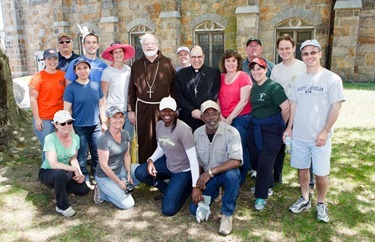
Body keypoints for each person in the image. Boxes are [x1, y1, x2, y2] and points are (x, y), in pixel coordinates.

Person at [286, 39, 345, 223]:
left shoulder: (332, 79)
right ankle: (305, 198)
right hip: (300, 136)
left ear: (320, 54)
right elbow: (294, 104)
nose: (309, 56)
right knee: (302, 170)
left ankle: (321, 203)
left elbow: (336, 108)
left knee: (321, 174)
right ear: (301, 56)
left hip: (320, 137)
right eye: (305, 53)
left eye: (313, 52)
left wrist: (325, 131)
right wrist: (289, 128)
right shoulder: (298, 80)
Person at [134, 97, 200, 216]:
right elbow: (161, 147)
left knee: (168, 210)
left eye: (171, 110)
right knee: (140, 172)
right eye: (164, 110)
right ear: (159, 112)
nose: (167, 113)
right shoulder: (159, 125)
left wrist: (195, 186)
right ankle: (164, 187)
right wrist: (151, 160)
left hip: (183, 170)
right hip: (169, 163)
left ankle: (187, 188)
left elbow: (193, 159)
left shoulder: (183, 129)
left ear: (176, 112)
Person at [190, 100, 242, 236]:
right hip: (208, 180)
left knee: (232, 175)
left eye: (214, 113)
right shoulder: (197, 133)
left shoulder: (232, 132)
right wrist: (196, 186)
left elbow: (236, 160)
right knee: (193, 209)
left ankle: (227, 215)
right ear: (201, 118)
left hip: (224, 173)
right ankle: (216, 193)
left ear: (219, 115)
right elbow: (197, 162)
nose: (211, 117)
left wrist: (210, 172)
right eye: (207, 114)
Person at [247, 58, 290, 211]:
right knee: (256, 159)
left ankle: (261, 195)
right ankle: (268, 185)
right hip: (256, 127)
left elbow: (286, 108)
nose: (256, 72)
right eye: (253, 69)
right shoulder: (255, 87)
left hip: (271, 129)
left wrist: (282, 127)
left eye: (260, 68)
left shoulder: (274, 87)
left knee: (265, 162)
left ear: (266, 70)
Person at [128, 33, 176, 164]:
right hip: (142, 108)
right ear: (141, 46)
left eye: (152, 43)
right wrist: (131, 110)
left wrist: (176, 108)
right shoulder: (136, 65)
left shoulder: (167, 63)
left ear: (157, 45)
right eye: (146, 44)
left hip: (163, 109)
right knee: (144, 140)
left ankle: (162, 169)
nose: (149, 46)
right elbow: (131, 89)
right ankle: (144, 170)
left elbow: (174, 87)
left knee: (163, 138)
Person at [270, 34, 307, 184]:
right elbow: (272, 91)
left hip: (301, 113)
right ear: (278, 50)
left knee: (302, 147)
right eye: (281, 49)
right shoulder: (276, 70)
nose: (284, 51)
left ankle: (307, 180)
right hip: (281, 113)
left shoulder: (303, 66)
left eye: (287, 48)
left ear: (293, 48)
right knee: (279, 146)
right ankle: (277, 176)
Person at [64, 58, 106, 186]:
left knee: (97, 152)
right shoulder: (71, 88)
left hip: (96, 126)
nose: (82, 71)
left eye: (85, 68)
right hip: (79, 127)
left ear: (89, 69)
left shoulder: (95, 86)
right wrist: (69, 127)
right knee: (81, 154)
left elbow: (101, 105)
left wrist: (103, 122)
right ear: (75, 71)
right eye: (79, 68)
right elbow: (67, 109)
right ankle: (83, 175)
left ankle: (97, 175)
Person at [39, 110, 89, 217]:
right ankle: (62, 206)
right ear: (56, 125)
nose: (66, 125)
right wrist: (74, 170)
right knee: (59, 173)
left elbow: (73, 159)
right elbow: (53, 164)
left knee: (83, 190)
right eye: (62, 123)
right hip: (48, 172)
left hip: (66, 171)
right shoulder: (50, 139)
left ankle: (60, 187)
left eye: (69, 122)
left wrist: (79, 174)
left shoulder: (76, 138)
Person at [218, 49, 252, 185]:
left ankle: (240, 179)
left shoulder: (243, 76)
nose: (231, 63)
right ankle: (227, 175)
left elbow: (243, 101)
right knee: (225, 148)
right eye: (228, 60)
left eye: (234, 60)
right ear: (223, 62)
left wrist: (230, 119)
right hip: (223, 117)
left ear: (238, 62)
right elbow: (217, 98)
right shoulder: (220, 77)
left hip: (240, 117)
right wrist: (220, 116)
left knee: (239, 148)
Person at [94, 106, 138, 209]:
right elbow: (104, 166)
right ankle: (102, 193)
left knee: (142, 171)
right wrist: (118, 182)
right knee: (128, 204)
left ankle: (121, 184)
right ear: (109, 120)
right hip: (105, 177)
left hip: (121, 170)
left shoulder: (125, 133)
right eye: (115, 117)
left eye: (121, 117)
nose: (119, 120)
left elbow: (127, 155)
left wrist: (128, 174)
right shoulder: (103, 139)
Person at [29, 48, 66, 163]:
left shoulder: (63, 76)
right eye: (49, 59)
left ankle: (60, 170)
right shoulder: (37, 77)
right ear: (44, 60)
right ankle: (46, 171)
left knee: (61, 145)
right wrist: (37, 119)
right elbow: (33, 99)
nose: (52, 62)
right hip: (44, 118)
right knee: (49, 147)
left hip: (60, 118)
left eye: (55, 59)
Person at [176, 45, 220, 131]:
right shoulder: (181, 74)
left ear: (203, 56)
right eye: (193, 57)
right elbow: (179, 95)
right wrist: (191, 110)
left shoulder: (213, 73)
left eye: (199, 57)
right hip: (187, 117)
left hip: (206, 117)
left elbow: (214, 94)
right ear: (189, 57)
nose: (196, 60)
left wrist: (202, 111)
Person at [101, 41, 135, 138]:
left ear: (124, 53)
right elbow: (103, 96)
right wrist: (104, 118)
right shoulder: (107, 72)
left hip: (127, 111)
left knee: (127, 139)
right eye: (115, 52)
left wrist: (131, 109)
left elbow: (131, 91)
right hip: (113, 110)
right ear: (112, 55)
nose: (118, 54)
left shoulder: (128, 70)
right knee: (115, 140)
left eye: (120, 51)